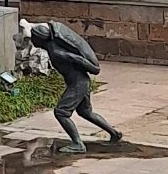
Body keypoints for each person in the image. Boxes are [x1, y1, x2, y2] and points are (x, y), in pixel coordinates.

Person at [25, 20, 123, 149]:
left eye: (33, 38)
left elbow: (76, 59)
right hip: (82, 81)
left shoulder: (56, 51)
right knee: (85, 112)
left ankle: (77, 144)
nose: (32, 41)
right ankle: (115, 133)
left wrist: (77, 59)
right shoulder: (52, 47)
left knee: (61, 112)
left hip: (78, 84)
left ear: (39, 39)